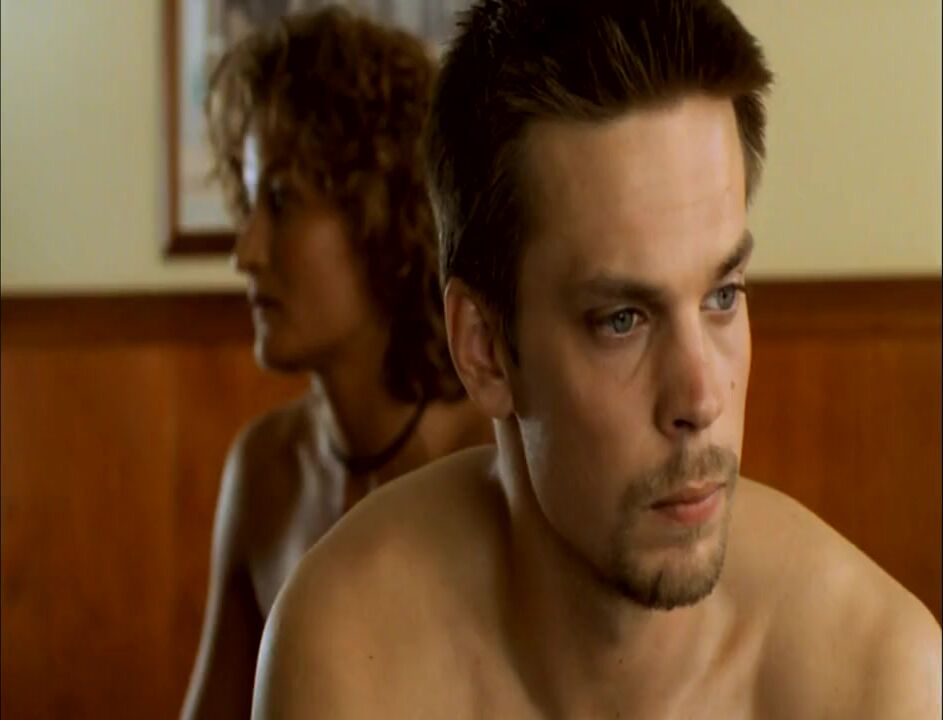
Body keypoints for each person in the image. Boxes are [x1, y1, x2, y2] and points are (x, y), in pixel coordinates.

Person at [252, 1, 942, 718]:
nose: (700, 398)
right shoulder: (352, 659)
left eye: (722, 296)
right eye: (622, 320)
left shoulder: (877, 680)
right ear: (484, 350)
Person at [180, 7, 493, 719]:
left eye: (282, 201)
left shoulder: (490, 464)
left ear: (381, 213)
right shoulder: (266, 470)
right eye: (249, 201)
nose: (246, 251)